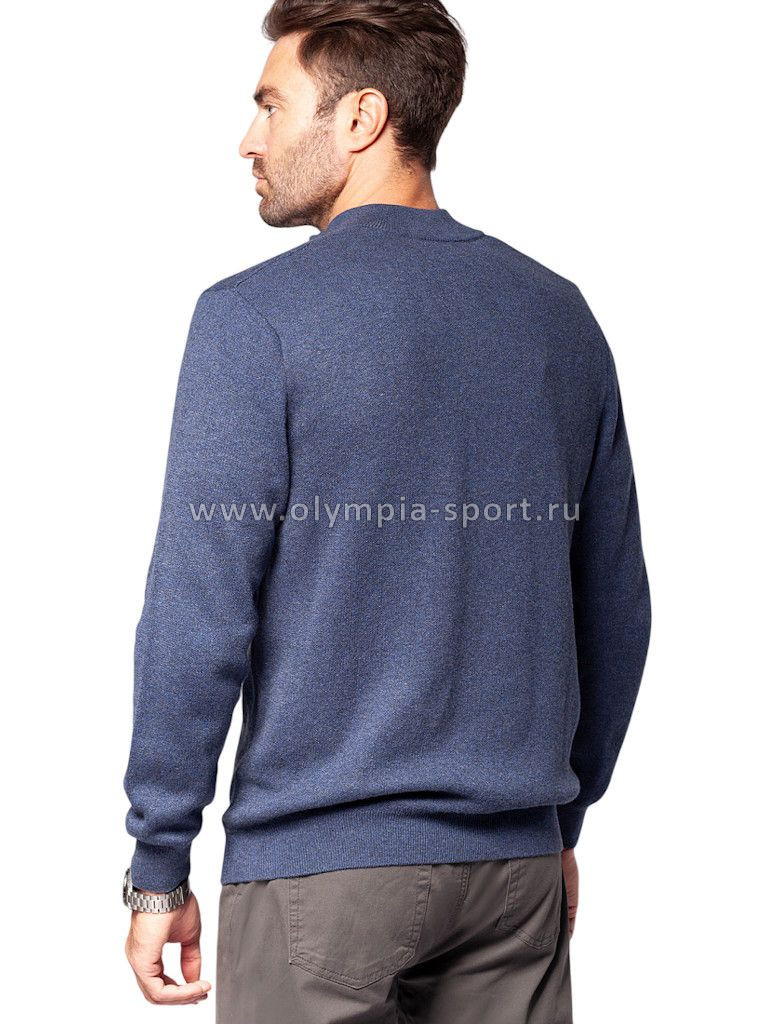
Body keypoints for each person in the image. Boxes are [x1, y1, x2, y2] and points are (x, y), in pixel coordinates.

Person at [122, 2, 651, 1021]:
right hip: (514, 878)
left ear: (361, 118)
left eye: (271, 105)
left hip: (319, 878)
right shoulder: (559, 318)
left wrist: (158, 865)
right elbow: (616, 609)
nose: (248, 140)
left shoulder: (254, 319)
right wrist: (559, 820)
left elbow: (198, 611)